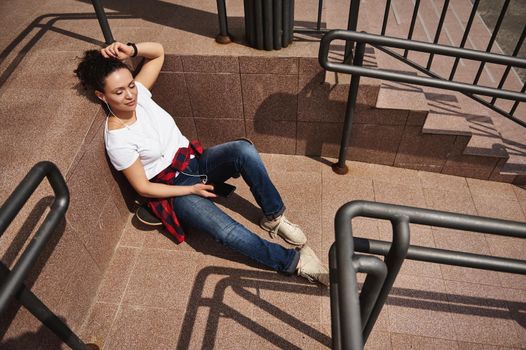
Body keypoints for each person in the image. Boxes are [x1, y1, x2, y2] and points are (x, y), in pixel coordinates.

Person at [75, 41, 329, 286]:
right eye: (119, 92)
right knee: (225, 231)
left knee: (244, 150)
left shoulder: (139, 95)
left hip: (194, 162)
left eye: (130, 85)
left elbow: (158, 53)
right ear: (101, 95)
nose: (129, 95)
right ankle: (295, 262)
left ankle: (273, 217)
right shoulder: (118, 139)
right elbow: (143, 188)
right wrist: (190, 190)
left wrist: (131, 49)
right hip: (172, 188)